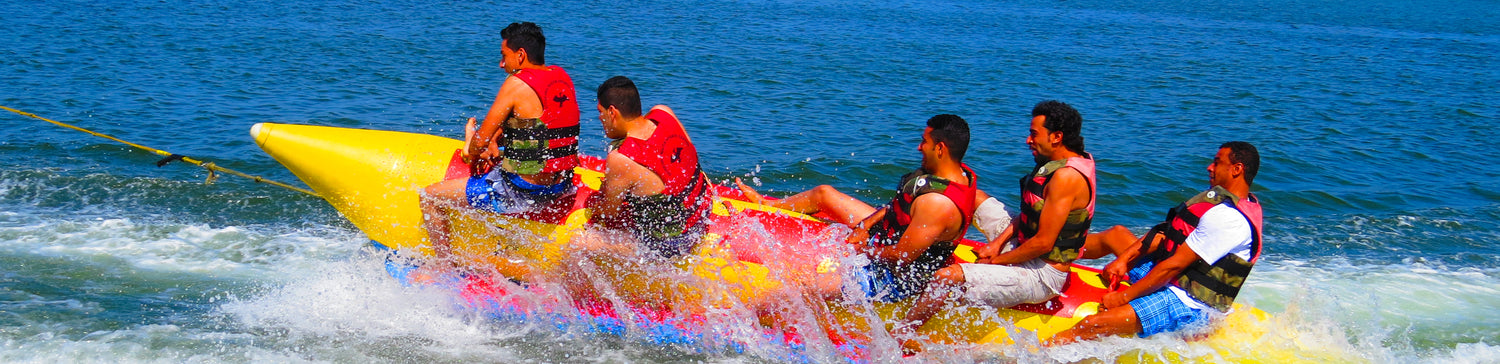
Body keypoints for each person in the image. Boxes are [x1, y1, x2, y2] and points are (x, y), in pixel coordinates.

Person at [896, 101, 1096, 352]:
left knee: (946, 277)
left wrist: (994, 262)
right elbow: (1029, 216)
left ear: (1056, 137)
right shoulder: (1062, 161)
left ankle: (903, 332)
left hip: (1043, 273)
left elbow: (1043, 242)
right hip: (1024, 242)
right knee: (975, 197)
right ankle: (924, 232)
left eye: (1034, 134)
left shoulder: (1066, 177)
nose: (1027, 140)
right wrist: (996, 243)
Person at [737, 114, 979, 303]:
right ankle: (768, 205)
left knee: (801, 286)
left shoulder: (938, 204)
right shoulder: (948, 173)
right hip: (887, 235)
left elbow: (901, 257)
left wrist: (859, 250)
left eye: (924, 142)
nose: (918, 147)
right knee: (824, 194)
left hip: (893, 277)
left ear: (940, 149)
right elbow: (899, 207)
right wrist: (865, 226)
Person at [1047, 141, 1263, 344]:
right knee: (1116, 235)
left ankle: (1032, 354)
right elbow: (1165, 237)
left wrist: (1122, 297)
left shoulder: (1229, 219)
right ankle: (1050, 252)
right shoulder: (1220, 203)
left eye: (1217, 162)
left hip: (1189, 302)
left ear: (1237, 169)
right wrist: (1124, 260)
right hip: (1177, 277)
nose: (1209, 167)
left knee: (1092, 325)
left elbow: (1173, 265)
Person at [419, 22, 582, 264]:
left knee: (429, 197)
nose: (501, 64)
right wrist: (500, 137)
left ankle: (444, 269)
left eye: (504, 56)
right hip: (561, 184)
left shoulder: (517, 83)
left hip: (524, 191)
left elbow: (478, 144)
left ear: (521, 55)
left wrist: (471, 143)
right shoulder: (561, 76)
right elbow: (541, 127)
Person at [585, 75, 714, 259]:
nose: (599, 118)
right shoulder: (664, 113)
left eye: (600, 111)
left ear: (612, 112)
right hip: (702, 216)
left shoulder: (621, 159)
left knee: (580, 243)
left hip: (673, 244)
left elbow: (609, 213)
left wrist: (595, 206)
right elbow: (688, 155)